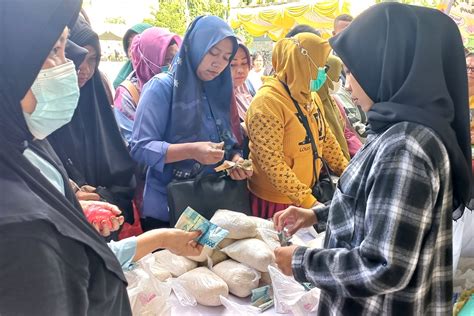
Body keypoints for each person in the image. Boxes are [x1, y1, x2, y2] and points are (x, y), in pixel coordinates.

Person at [273, 3, 472, 315]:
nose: (347, 85)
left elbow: (383, 266)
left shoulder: (406, 146)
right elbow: (380, 208)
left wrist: (300, 261)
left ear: (386, 65)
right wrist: (318, 215)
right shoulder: (399, 128)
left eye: (353, 72)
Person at [0, 1, 132, 313]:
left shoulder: (25, 141)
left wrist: (68, 208)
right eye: (54, 51)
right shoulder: (22, 231)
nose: (70, 66)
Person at [130, 16, 252, 230]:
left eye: (226, 58)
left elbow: (228, 141)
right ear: (195, 46)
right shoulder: (162, 88)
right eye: (212, 52)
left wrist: (235, 160)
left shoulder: (218, 89)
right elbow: (140, 147)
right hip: (169, 209)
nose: (218, 63)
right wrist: (191, 151)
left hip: (212, 205)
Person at [245, 33, 348, 219]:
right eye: (319, 67)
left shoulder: (309, 94)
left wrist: (349, 172)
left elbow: (327, 140)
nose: (322, 73)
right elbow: (272, 162)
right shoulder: (266, 103)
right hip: (277, 199)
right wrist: (309, 202)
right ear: (301, 64)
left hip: (306, 192)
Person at [47, 15, 137, 227]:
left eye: (92, 59)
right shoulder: (41, 108)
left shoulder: (97, 99)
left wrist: (102, 197)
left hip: (106, 222)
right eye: (77, 58)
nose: (84, 69)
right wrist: (73, 193)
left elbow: (121, 169)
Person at [114, 27, 182, 143]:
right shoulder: (128, 95)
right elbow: (134, 145)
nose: (173, 66)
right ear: (148, 60)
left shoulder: (180, 85)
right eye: (167, 60)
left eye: (176, 59)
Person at [113, 23, 152, 89]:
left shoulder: (167, 73)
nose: (131, 49)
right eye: (129, 43)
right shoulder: (122, 81)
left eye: (137, 43)